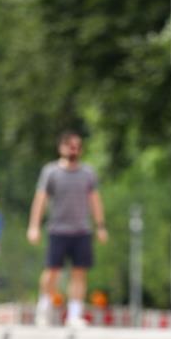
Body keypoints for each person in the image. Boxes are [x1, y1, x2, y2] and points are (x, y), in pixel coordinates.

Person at [26, 131, 107, 327]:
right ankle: (44, 308)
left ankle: (74, 314)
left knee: (79, 273)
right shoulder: (51, 171)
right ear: (61, 147)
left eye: (77, 146)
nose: (74, 149)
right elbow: (41, 199)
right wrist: (34, 226)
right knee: (52, 271)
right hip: (58, 229)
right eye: (70, 145)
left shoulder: (88, 173)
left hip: (82, 230)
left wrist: (101, 225)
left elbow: (95, 200)